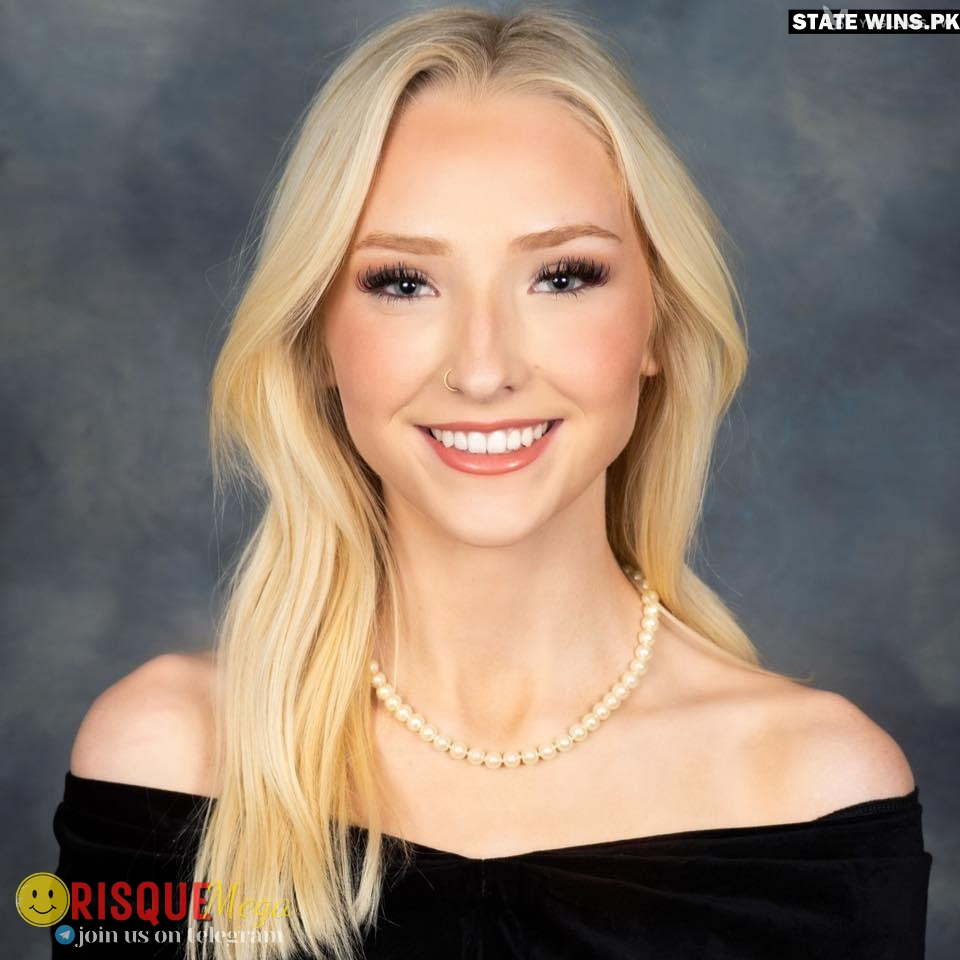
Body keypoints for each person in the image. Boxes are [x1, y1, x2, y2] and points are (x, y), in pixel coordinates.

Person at [51, 6, 932, 959]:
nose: (482, 369)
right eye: (403, 282)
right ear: (315, 341)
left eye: (562, 276)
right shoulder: (167, 760)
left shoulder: (818, 792)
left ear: (660, 324)